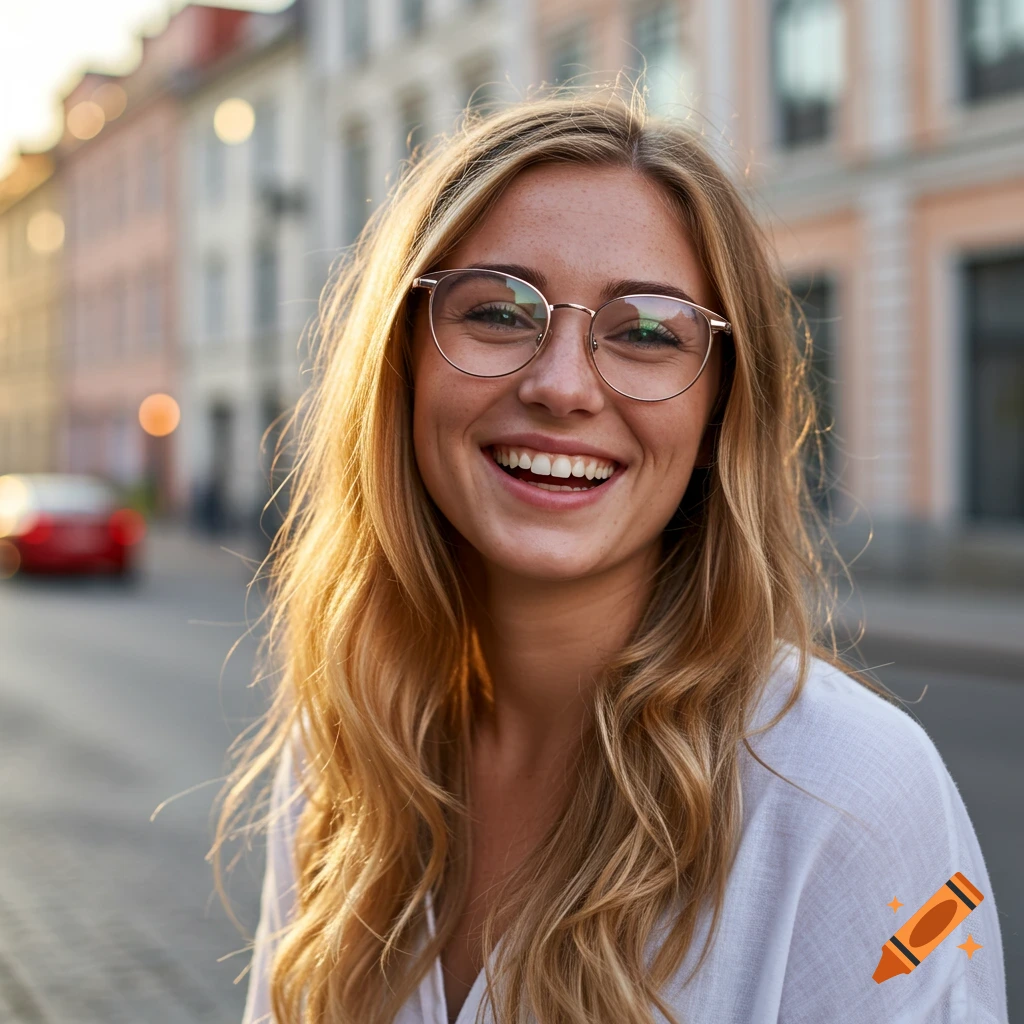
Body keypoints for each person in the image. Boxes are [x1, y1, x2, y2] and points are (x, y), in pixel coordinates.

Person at [213, 91, 1007, 1024]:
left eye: (645, 333)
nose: (560, 385)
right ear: (402, 362)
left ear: (718, 411)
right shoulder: (351, 740)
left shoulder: (851, 794)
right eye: (500, 312)